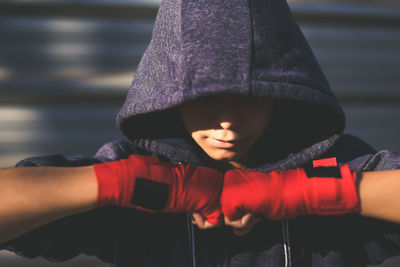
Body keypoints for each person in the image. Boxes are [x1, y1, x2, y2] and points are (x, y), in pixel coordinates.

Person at [1, 0, 400, 266]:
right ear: (170, 96)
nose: (227, 119)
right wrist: (121, 182)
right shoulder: (139, 173)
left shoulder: (333, 167)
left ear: (285, 95)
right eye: (205, 96)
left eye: (252, 95)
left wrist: (301, 189)